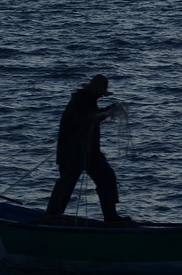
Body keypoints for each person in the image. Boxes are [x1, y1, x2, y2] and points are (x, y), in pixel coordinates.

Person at [45, 73, 130, 224]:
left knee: (107, 177)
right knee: (65, 185)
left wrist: (108, 110)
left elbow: (92, 116)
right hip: (72, 152)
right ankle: (51, 217)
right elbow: (80, 121)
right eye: (100, 93)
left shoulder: (90, 101)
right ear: (95, 91)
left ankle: (111, 217)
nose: (101, 97)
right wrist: (102, 115)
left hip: (90, 151)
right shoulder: (78, 101)